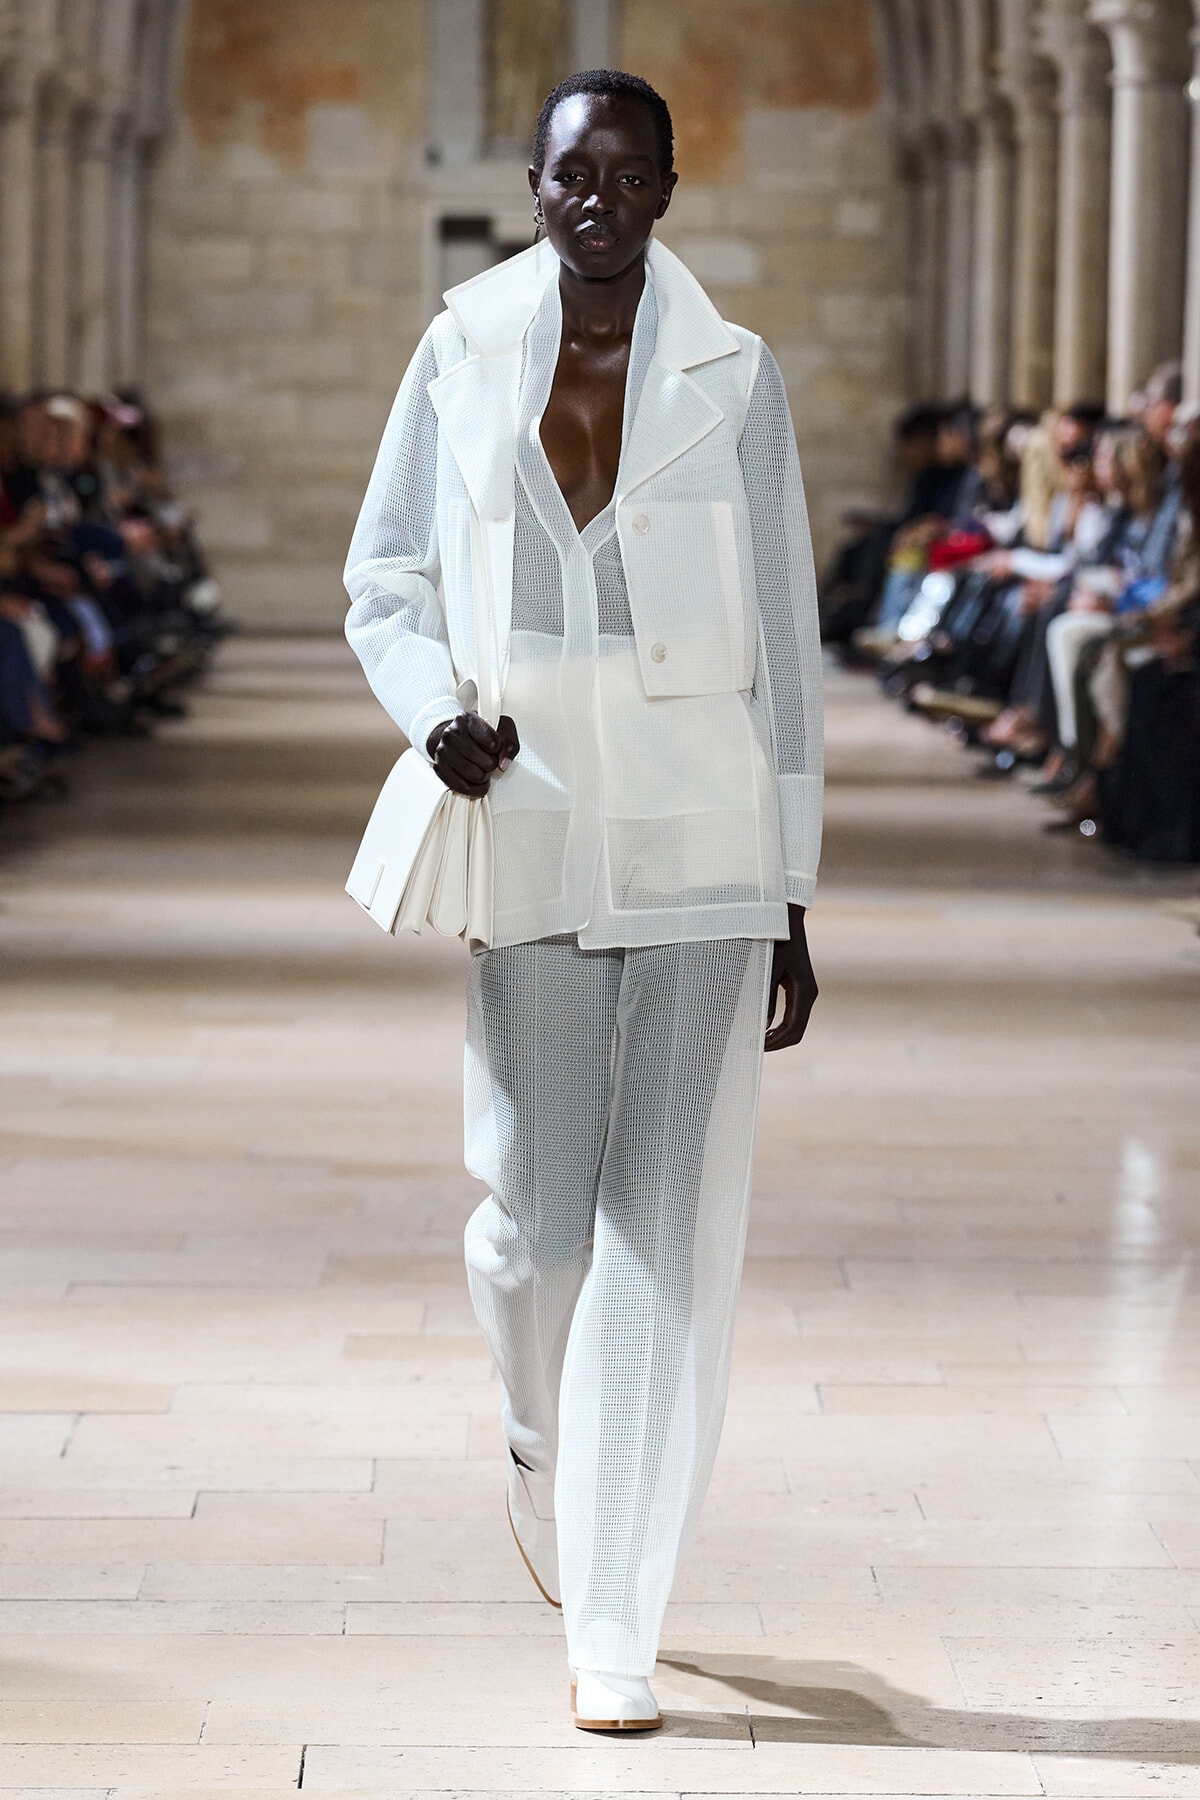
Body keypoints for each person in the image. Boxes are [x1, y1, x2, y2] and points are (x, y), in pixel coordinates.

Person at [344, 68, 823, 1732]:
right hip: (533, 811)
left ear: (672, 190)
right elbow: (384, 575)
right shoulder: (461, 352)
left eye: (631, 173)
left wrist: (797, 886)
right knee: (539, 1211)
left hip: (699, 833)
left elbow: (787, 635)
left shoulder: (738, 378)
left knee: (654, 1226)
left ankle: (613, 1621)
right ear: (532, 187)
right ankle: (538, 1434)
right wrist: (433, 712)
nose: (601, 198)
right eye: (572, 173)